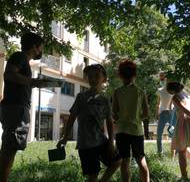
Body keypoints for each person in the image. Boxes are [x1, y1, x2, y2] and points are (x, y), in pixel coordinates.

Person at [57, 64, 121, 182]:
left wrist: (111, 142)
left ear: (104, 79)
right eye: (90, 76)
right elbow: (71, 117)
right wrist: (65, 137)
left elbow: (110, 122)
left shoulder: (105, 100)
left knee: (117, 161)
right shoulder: (81, 97)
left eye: (97, 76)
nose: (93, 79)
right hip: (86, 144)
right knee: (93, 175)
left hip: (101, 140)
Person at [0, 32, 49, 182]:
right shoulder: (20, 56)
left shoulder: (23, 61)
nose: (41, 51)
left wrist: (33, 84)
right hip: (16, 109)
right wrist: (33, 82)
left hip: (15, 108)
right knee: (9, 150)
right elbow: (8, 75)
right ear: (34, 46)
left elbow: (17, 81)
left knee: (9, 149)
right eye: (41, 47)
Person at [112, 60, 150, 182]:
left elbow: (114, 114)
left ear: (120, 75)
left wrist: (121, 118)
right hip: (136, 130)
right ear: (134, 74)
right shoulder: (140, 92)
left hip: (121, 131)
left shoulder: (117, 92)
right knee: (141, 160)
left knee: (124, 162)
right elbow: (146, 114)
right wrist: (136, 119)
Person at [166, 78, 190, 182]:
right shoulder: (186, 95)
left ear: (171, 90)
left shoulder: (175, 97)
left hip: (184, 124)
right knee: (181, 147)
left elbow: (186, 110)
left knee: (181, 151)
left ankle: (184, 177)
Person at [155, 72, 175, 155]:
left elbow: (173, 102)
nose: (162, 80)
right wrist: (157, 113)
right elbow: (158, 103)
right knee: (159, 135)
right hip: (162, 114)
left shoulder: (172, 91)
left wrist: (171, 110)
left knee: (173, 134)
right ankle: (160, 153)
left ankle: (174, 153)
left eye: (163, 78)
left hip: (171, 114)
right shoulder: (159, 91)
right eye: (161, 78)